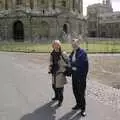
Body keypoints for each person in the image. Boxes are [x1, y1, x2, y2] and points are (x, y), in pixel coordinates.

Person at [69, 38, 89, 116]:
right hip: (74, 76)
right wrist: (70, 67)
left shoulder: (82, 52)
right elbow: (69, 61)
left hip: (81, 77)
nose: (74, 45)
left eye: (75, 44)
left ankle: (83, 109)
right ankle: (78, 105)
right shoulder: (72, 52)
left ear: (78, 44)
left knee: (81, 93)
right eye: (73, 44)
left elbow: (79, 63)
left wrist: (72, 66)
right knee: (75, 91)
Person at [48, 40, 68, 107]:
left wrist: (63, 69)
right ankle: (56, 97)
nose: (55, 46)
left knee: (60, 88)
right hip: (54, 73)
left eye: (57, 45)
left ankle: (60, 100)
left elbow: (68, 62)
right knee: (54, 86)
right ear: (52, 46)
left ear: (59, 45)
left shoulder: (63, 53)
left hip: (60, 73)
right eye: (54, 45)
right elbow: (51, 61)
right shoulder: (52, 53)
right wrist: (50, 67)